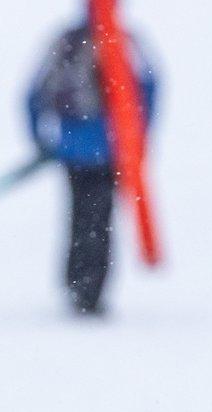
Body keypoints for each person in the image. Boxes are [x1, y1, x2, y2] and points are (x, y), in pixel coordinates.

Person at [25, 19, 157, 315]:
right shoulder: (126, 41)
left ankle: (78, 286)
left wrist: (41, 138)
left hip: (75, 150)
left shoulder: (68, 42)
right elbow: (151, 85)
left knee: (82, 217)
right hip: (109, 150)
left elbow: (34, 93)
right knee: (99, 219)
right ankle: (90, 290)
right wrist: (139, 136)